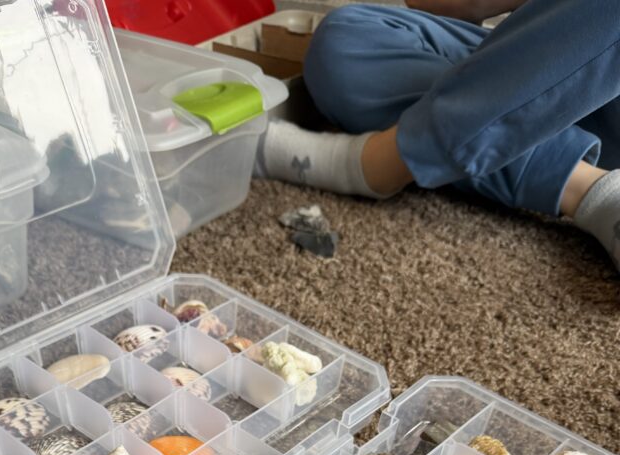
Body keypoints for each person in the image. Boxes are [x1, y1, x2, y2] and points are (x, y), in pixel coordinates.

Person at [256, 0, 620, 271]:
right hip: (560, 74)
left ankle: (373, 164)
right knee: (346, 39)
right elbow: (443, 4)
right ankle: (592, 186)